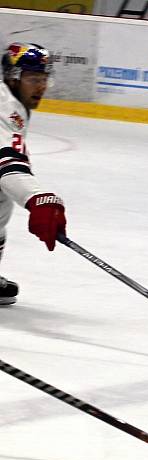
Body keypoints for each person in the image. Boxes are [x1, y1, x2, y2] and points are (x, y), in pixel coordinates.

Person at [0, 42, 67, 305]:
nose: (41, 86)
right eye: (33, 78)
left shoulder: (10, 101)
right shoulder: (6, 108)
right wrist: (38, 199)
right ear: (13, 78)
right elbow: (7, 163)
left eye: (44, 79)